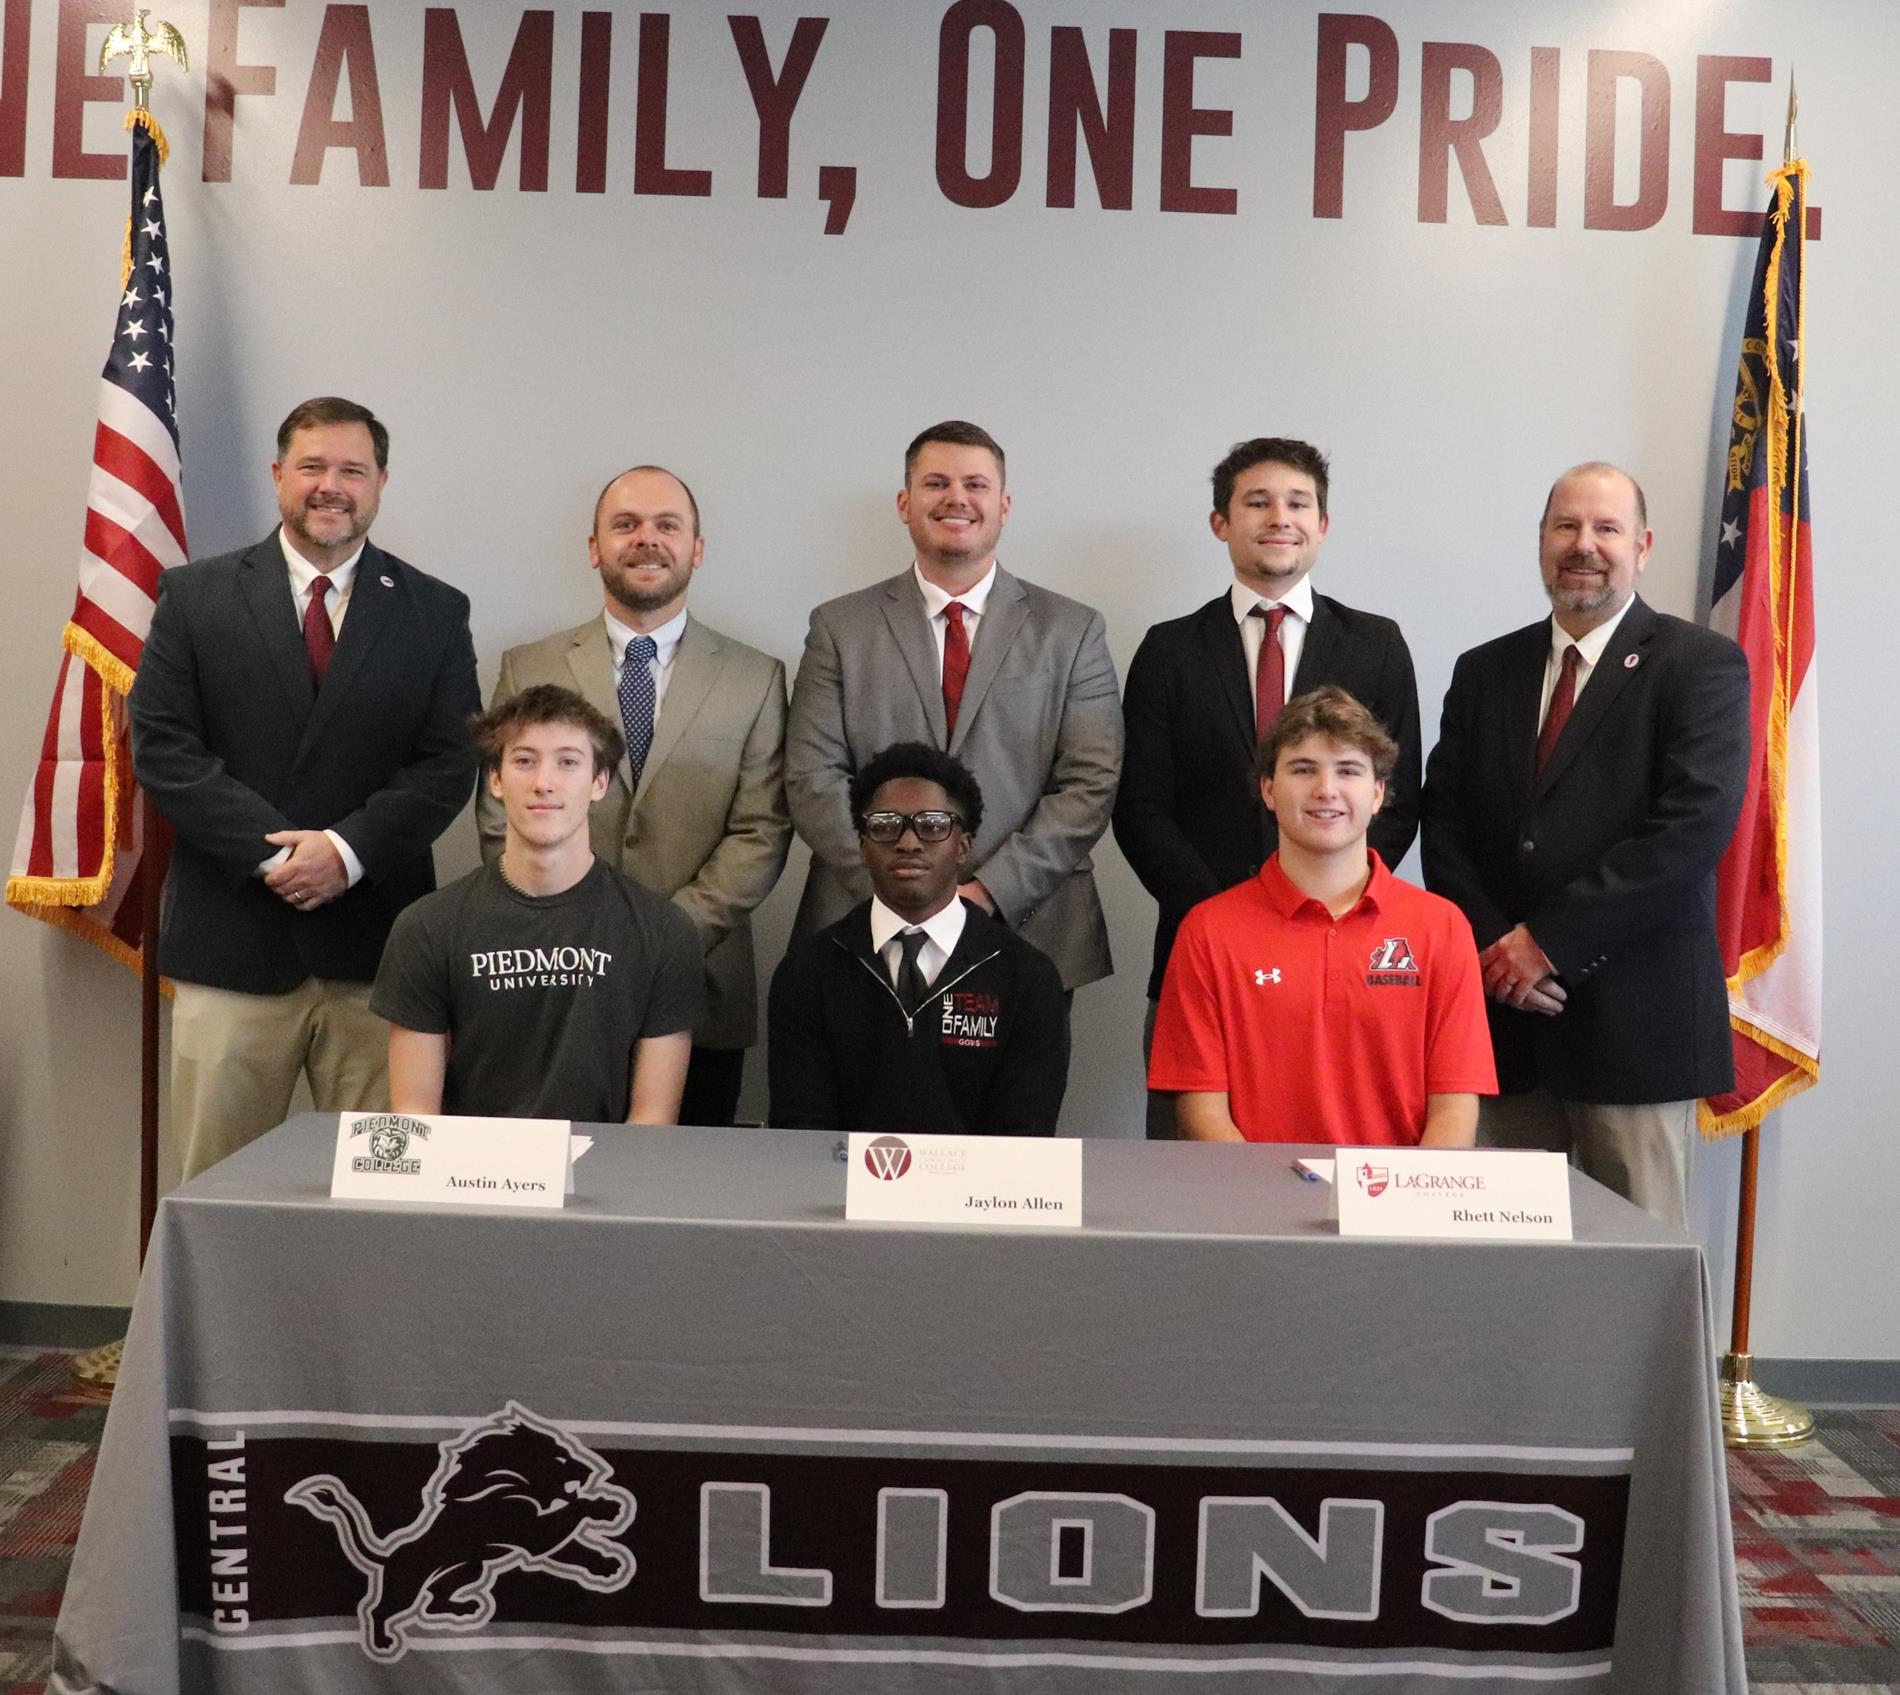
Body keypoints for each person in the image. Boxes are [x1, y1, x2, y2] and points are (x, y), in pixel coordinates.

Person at [128, 396, 480, 1178]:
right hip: (233, 946)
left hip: (378, 956)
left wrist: (346, 852)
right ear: (279, 473)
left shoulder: (434, 611)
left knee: (385, 1196)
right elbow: (164, 748)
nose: (332, 485)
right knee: (214, 1186)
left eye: (352, 469)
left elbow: (449, 762)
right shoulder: (195, 597)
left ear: (381, 482)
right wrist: (279, 857)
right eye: (313, 466)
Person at [1422, 462, 1751, 1228]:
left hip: (1637, 1028)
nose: (1585, 545)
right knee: (1497, 1275)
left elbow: (1691, 829)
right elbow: (1445, 826)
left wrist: (1547, 942)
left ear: (1642, 545)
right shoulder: (1484, 670)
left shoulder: (1698, 664)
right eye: (1566, 526)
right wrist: (1497, 950)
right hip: (1502, 1030)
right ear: (1541, 541)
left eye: (1606, 528)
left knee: (1635, 1277)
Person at [1115, 436, 1420, 1137]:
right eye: (1257, 501)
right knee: (1192, 1173)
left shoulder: (1376, 643)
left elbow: (1397, 800)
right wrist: (1231, 918)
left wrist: (1330, 904)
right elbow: (1139, 808)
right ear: (1221, 522)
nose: (1279, 516)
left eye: (1298, 502)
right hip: (1199, 950)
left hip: (1346, 961)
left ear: (1323, 524)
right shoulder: (1169, 649)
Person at [477, 464, 789, 1126]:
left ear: (696, 548)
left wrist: (663, 938)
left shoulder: (757, 678)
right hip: (551, 979)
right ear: (595, 548)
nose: (647, 539)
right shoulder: (525, 666)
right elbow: (501, 812)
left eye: (667, 525)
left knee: (682, 1206)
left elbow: (762, 830)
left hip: (700, 986)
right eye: (625, 525)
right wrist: (580, 938)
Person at [784, 420, 1122, 996]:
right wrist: (903, 892)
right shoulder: (839, 627)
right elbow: (812, 777)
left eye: (976, 484)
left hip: (1026, 924)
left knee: (1013, 1091)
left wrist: (987, 892)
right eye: (936, 483)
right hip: (865, 922)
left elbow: (1090, 782)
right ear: (905, 502)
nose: (956, 498)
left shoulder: (1073, 630)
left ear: (1004, 504)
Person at [1149, 687, 1492, 1145]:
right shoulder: (1208, 931)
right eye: (1303, 769)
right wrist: (1268, 1209)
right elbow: (1200, 1110)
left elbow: (1454, 1108)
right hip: (1253, 1208)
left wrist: (1405, 1211)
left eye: (1348, 770)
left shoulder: (1442, 928)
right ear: (1268, 790)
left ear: (1377, 793)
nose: (1325, 789)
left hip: (1396, 1210)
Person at [374, 685, 703, 1123]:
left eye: (568, 762)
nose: (543, 783)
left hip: (605, 1180)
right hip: (469, 1182)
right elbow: (415, 1120)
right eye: (524, 760)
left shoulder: (663, 931)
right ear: (495, 779)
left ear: (599, 782)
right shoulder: (427, 927)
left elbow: (652, 1123)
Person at [768, 741, 1069, 1134]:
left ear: (962, 845)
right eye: (884, 826)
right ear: (862, 846)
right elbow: (802, 1134)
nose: (908, 842)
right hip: (842, 1194)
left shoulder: (1027, 979)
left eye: (932, 825)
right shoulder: (807, 974)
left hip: (976, 1194)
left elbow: (1022, 1140)